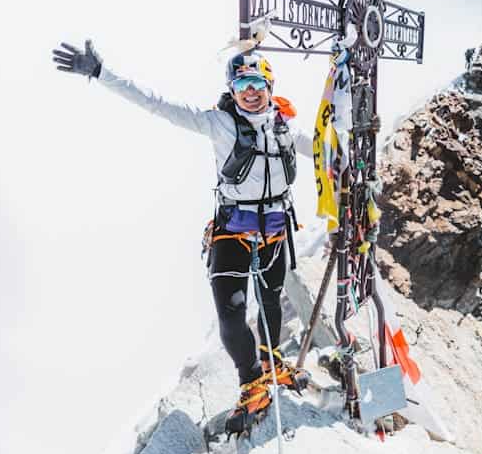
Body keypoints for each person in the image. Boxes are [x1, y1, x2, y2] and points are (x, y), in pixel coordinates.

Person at [51, 39, 312, 431]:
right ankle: (252, 380)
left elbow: (328, 149)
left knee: (271, 301)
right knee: (231, 320)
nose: (252, 94)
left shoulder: (284, 127)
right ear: (232, 91)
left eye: (258, 85)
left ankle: (273, 365)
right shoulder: (218, 123)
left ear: (270, 87)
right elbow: (157, 103)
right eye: (243, 88)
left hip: (274, 232)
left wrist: (356, 146)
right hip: (233, 234)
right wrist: (102, 73)